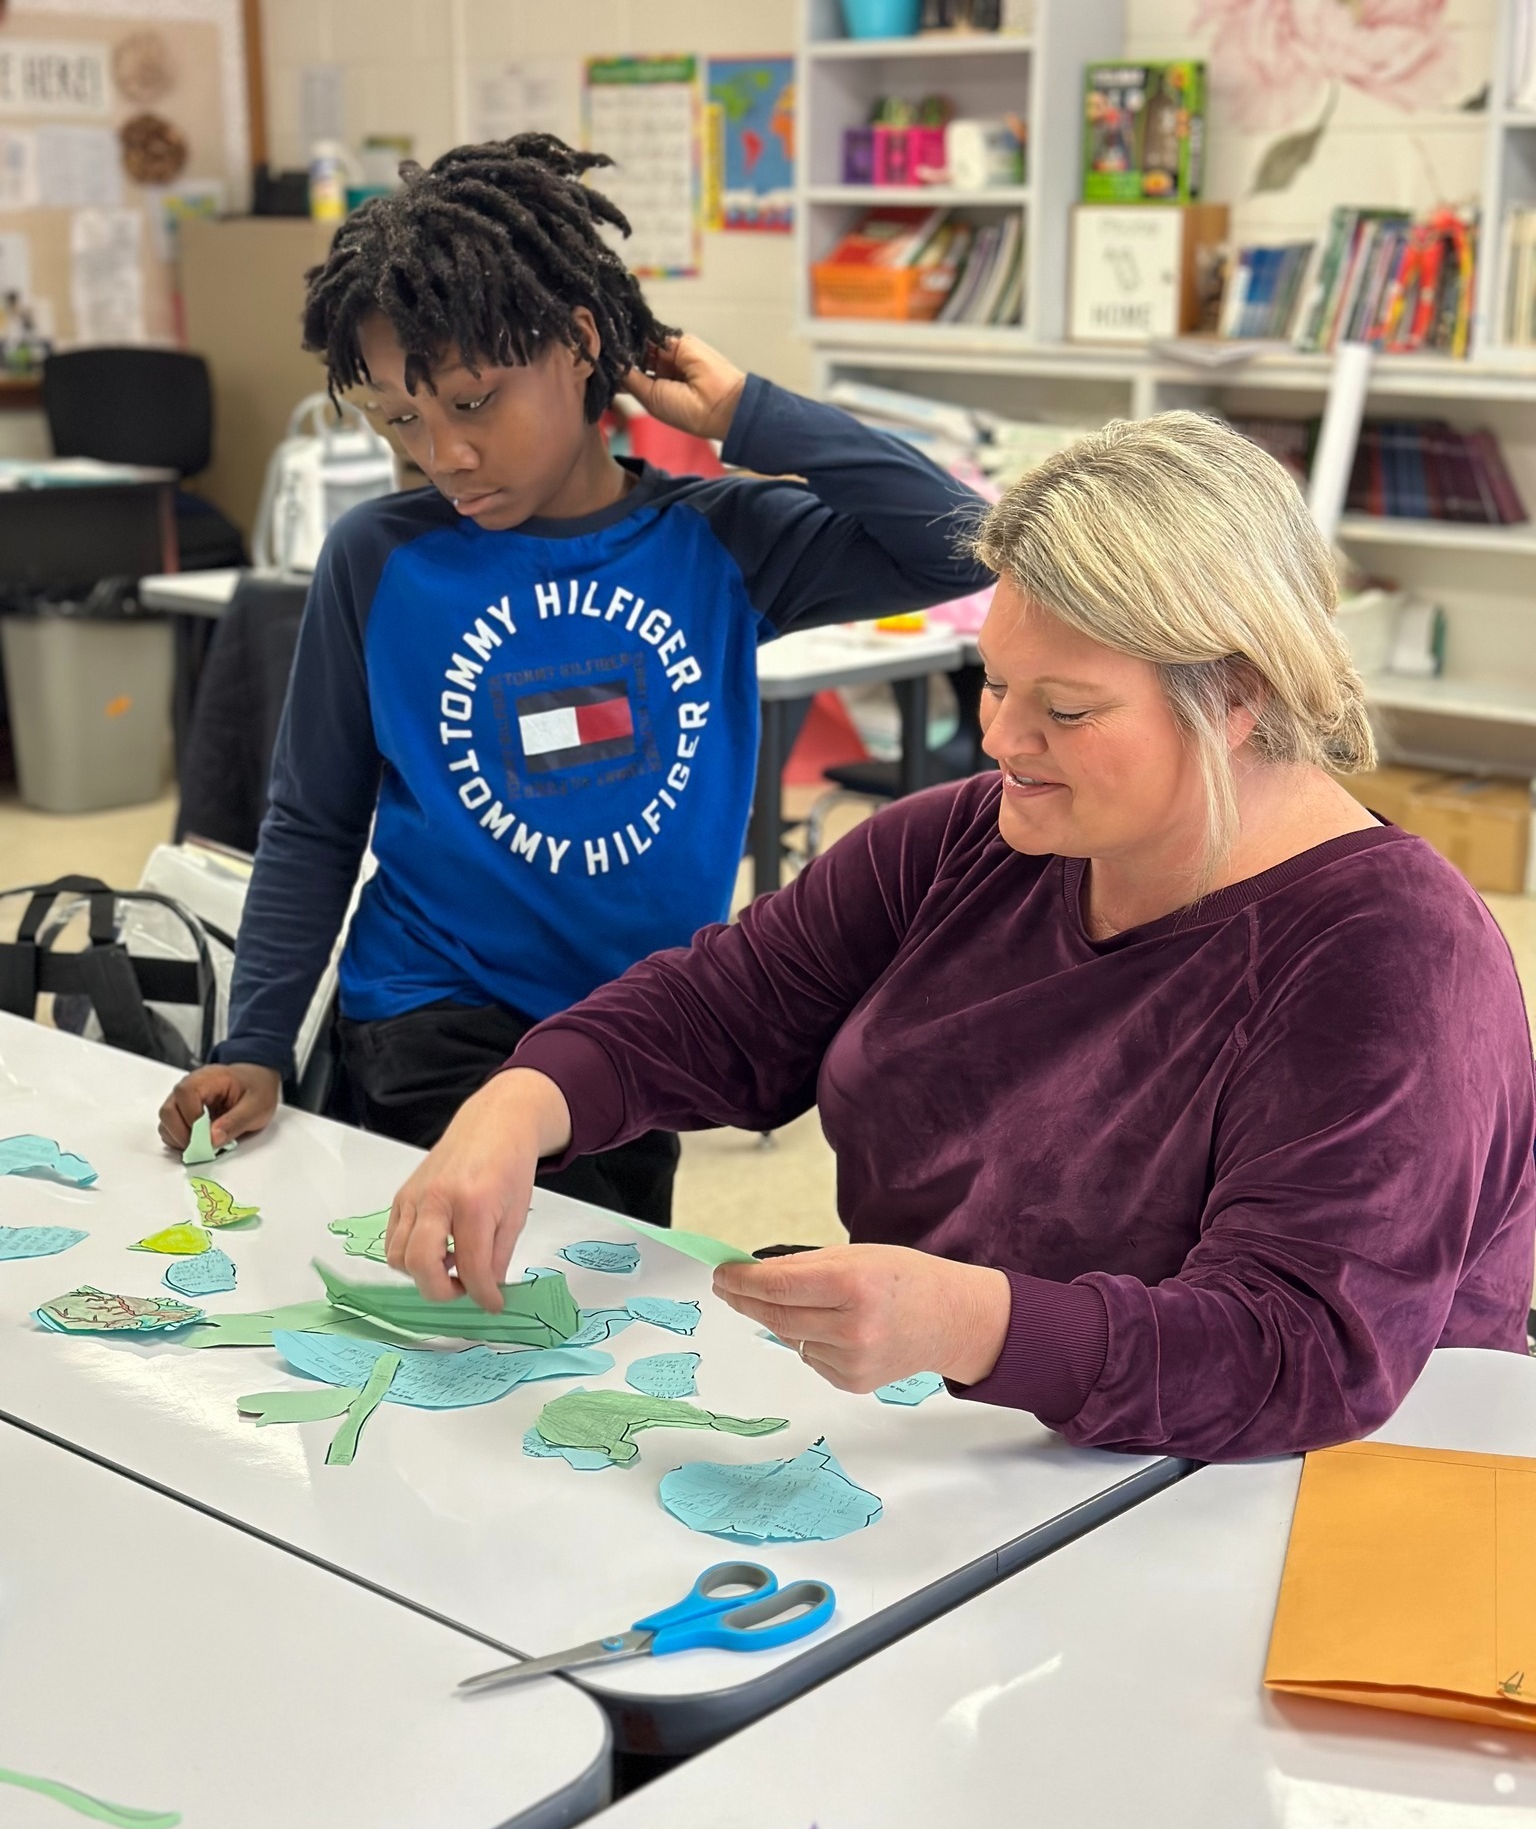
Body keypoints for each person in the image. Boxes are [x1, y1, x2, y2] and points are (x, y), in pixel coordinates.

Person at [383, 410, 1536, 1463]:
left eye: (1066, 709)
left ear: (1236, 696)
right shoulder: (972, 841)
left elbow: (1297, 1351)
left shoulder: (1394, 959)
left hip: (1283, 1498)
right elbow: (723, 1006)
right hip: (973, 1457)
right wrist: (520, 1104)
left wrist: (972, 1320)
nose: (1003, 739)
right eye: (991, 686)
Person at [155, 134, 988, 1224]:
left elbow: (961, 536)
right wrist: (257, 1041)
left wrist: (746, 414)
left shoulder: (719, 541)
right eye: (402, 420)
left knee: (581, 1327)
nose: (443, 453)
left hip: (641, 1030)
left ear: (581, 341)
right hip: (429, 1011)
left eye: (472, 400)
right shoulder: (377, 558)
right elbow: (314, 818)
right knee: (468, 1307)